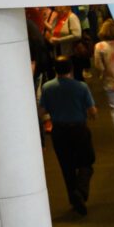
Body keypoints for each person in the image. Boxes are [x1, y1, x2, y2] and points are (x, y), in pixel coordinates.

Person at [38, 59, 96, 217]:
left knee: (67, 166)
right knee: (86, 163)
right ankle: (81, 191)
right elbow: (92, 111)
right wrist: (91, 115)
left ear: (55, 69)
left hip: (59, 132)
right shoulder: (81, 87)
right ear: (71, 68)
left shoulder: (47, 87)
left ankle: (74, 199)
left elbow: (41, 111)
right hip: (79, 129)